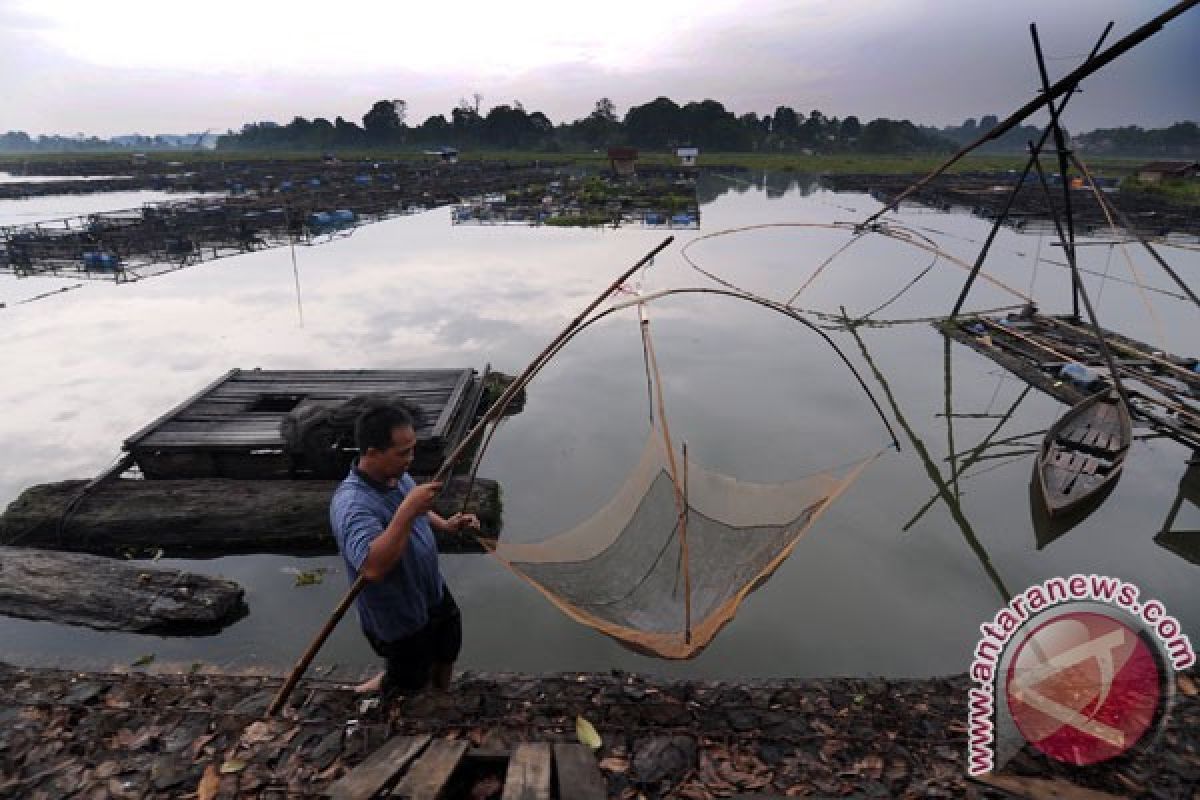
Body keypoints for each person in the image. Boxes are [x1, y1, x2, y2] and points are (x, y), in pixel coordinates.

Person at [330, 404, 480, 697]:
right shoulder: (352, 504)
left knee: (447, 649)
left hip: (430, 591)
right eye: (402, 453)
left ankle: (440, 695)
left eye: (412, 449)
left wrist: (446, 525)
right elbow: (372, 567)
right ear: (372, 453)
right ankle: (383, 689)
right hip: (397, 615)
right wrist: (407, 510)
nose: (410, 459)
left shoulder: (395, 476)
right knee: (409, 677)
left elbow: (419, 510)